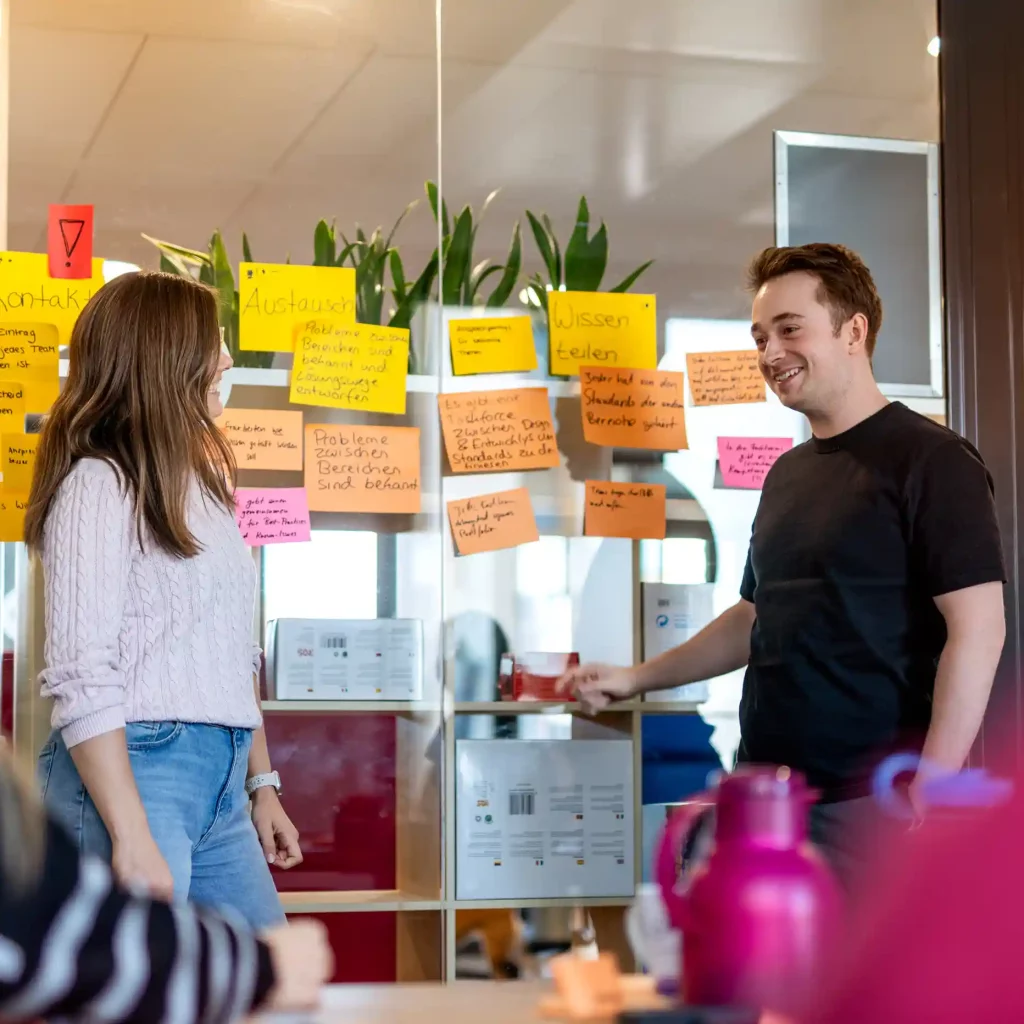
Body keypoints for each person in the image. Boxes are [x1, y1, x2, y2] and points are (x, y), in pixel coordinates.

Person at [558, 243, 1006, 883]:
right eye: (760, 336)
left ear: (854, 331)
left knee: (858, 988)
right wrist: (636, 679)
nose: (770, 353)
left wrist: (933, 785)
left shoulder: (933, 461)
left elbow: (979, 627)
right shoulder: (787, 475)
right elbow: (755, 615)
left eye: (790, 329)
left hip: (869, 808)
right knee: (744, 982)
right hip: (765, 797)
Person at [24, 270, 301, 929]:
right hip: (139, 773)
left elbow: (233, 654)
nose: (227, 360)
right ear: (164, 357)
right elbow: (81, 670)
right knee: (139, 991)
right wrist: (130, 831)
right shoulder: (98, 483)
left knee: (268, 982)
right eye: (215, 342)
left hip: (222, 785)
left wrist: (261, 785)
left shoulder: (206, 490)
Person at [0, 743, 332, 1023]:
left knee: (291, 990)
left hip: (229, 770)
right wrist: (260, 967)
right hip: (136, 757)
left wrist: (262, 785)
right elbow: (67, 934)